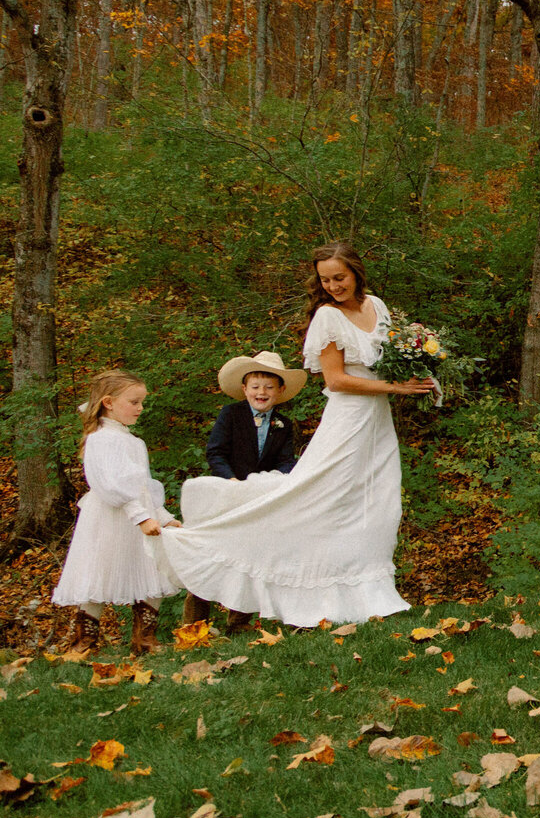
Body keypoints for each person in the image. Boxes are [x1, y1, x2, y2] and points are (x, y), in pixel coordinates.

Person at [161, 242, 435, 628]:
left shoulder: (377, 305)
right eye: (325, 280)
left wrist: (419, 372)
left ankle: (366, 592)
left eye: (339, 277)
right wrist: (396, 387)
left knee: (377, 502)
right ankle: (245, 566)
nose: (333, 285)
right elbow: (337, 381)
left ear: (356, 272)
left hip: (377, 420)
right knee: (317, 500)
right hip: (348, 419)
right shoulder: (326, 316)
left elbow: (391, 356)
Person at [52, 371, 182, 654]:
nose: (140, 408)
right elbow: (110, 484)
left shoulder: (134, 441)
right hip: (110, 518)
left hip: (139, 517)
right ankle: (83, 644)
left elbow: (143, 486)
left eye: (142, 402)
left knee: (153, 569)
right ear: (109, 402)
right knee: (99, 572)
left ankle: (144, 640)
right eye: (134, 401)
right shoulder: (100, 439)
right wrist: (140, 516)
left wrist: (161, 516)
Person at [184, 351, 308, 630]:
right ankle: (194, 623)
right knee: (212, 555)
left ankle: (238, 622)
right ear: (244, 389)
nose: (261, 392)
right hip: (228, 494)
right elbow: (215, 452)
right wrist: (231, 482)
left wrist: (284, 480)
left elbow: (285, 460)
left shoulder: (283, 424)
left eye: (269, 387)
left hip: (259, 497)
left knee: (252, 554)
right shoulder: (231, 415)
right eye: (255, 386)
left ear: (280, 391)